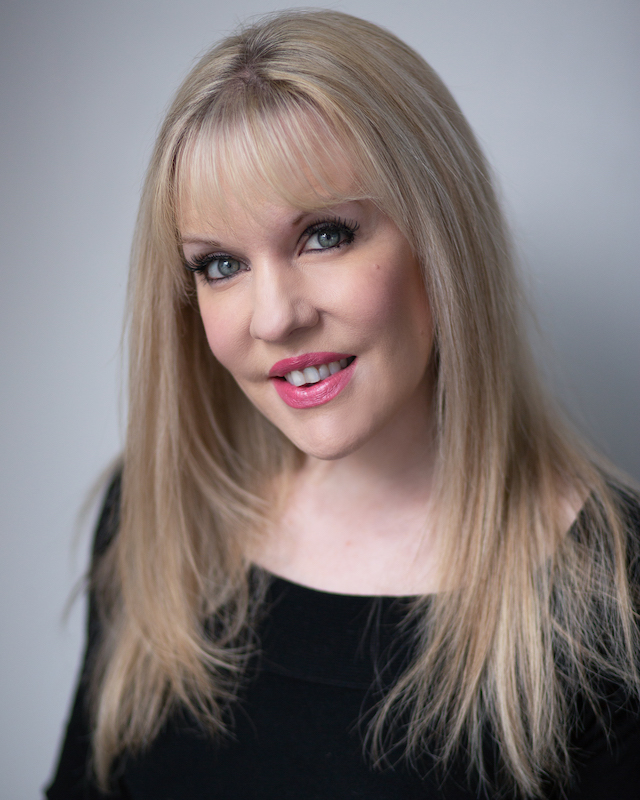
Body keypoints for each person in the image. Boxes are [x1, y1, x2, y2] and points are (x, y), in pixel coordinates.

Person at [46, 9, 640, 799]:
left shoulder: (612, 592)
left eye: (325, 235)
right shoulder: (155, 519)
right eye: (220, 264)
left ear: (441, 236)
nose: (274, 317)